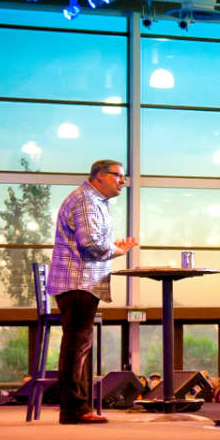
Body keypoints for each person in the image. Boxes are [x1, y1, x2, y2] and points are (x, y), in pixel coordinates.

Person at [48, 159, 138, 424]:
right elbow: (89, 243)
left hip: (82, 281)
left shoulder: (95, 201)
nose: (123, 181)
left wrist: (110, 246)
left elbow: (92, 240)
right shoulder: (87, 201)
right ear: (99, 176)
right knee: (77, 346)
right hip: (77, 282)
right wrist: (116, 250)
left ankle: (79, 407)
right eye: (118, 176)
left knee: (80, 346)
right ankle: (74, 410)